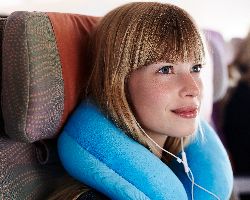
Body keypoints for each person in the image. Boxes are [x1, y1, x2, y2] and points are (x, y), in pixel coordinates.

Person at [49, 2, 233, 200]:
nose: (194, 89)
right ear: (118, 82)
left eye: (195, 68)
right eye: (165, 69)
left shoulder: (185, 176)